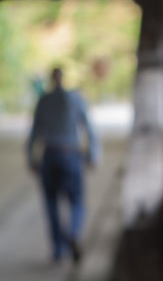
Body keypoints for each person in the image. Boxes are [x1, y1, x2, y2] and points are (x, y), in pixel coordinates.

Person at [26, 67, 99, 264]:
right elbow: (90, 129)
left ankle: (58, 249)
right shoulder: (75, 99)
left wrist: (31, 158)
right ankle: (73, 233)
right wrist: (93, 155)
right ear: (63, 78)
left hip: (50, 155)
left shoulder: (43, 101)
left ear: (51, 79)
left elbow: (34, 133)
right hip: (71, 154)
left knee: (51, 204)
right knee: (76, 200)